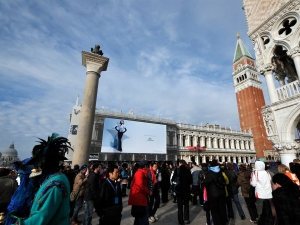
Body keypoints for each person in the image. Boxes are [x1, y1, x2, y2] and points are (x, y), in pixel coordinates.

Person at [14, 133, 72, 224]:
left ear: (45, 165)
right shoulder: (56, 177)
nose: (36, 168)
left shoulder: (55, 184)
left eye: (38, 164)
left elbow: (42, 216)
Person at [202, 160, 227, 225]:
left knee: (214, 210)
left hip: (213, 195)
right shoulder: (220, 172)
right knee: (221, 209)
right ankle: (223, 222)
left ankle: (218, 223)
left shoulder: (210, 173)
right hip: (221, 193)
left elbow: (205, 183)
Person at [128, 160, 152, 225]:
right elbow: (140, 186)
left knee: (138, 220)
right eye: (148, 166)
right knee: (143, 221)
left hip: (141, 200)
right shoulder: (139, 173)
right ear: (145, 166)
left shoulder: (142, 173)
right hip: (140, 201)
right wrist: (148, 192)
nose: (149, 167)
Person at [171, 160, 192, 225]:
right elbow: (190, 181)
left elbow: (172, 179)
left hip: (179, 191)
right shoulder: (188, 171)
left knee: (180, 207)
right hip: (186, 191)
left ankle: (180, 221)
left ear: (180, 164)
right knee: (186, 205)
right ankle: (186, 219)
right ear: (185, 164)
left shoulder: (177, 170)